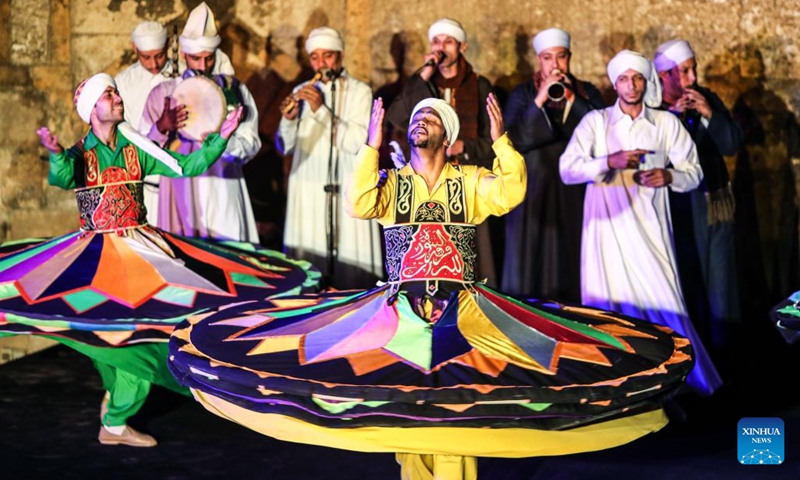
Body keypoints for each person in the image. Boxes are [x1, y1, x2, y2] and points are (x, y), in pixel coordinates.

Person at [168, 96, 693, 480]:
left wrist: (502, 141)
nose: (420, 123)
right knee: (406, 406)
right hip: (397, 311)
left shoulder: (466, 181)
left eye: (431, 118)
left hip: (464, 312)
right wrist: (372, 145)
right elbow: (358, 203)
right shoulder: (392, 185)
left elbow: (509, 192)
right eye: (415, 118)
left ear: (447, 134)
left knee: (455, 405)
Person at [0, 73, 317, 448]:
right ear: (91, 110)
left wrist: (224, 136)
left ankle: (116, 414)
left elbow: (186, 166)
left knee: (133, 332)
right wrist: (54, 153)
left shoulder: (136, 148)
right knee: (104, 326)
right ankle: (116, 410)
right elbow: (65, 175)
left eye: (116, 92)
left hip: (139, 249)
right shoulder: (81, 153)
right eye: (109, 95)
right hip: (95, 254)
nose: (117, 98)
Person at [560, 50, 722, 396]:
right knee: (607, 307)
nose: (631, 85)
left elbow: (693, 173)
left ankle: (680, 386)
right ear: (614, 83)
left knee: (663, 303)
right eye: (623, 78)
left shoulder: (665, 124)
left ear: (645, 82)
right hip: (606, 234)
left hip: (651, 232)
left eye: (637, 78)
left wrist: (669, 176)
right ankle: (613, 390)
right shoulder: (596, 123)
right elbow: (567, 169)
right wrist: (608, 161)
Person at [385, 18, 498, 285]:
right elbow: (396, 117)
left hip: (464, 180)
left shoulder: (479, 85)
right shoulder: (423, 85)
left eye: (448, 42)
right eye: (436, 41)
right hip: (426, 179)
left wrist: (464, 147)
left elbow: (495, 139)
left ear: (462, 47)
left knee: (473, 249)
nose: (441, 47)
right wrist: (421, 76)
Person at [140, 2, 261, 243]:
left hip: (224, 188)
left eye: (209, 58)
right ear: (184, 55)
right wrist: (163, 127)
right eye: (196, 58)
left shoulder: (235, 89)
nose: (203, 66)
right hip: (180, 193)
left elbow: (252, 144)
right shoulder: (162, 94)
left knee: (231, 263)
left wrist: (225, 141)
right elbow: (142, 155)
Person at [501, 28, 604, 303]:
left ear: (569, 58)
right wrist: (540, 100)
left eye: (561, 57)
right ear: (539, 60)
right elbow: (512, 140)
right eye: (548, 58)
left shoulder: (587, 92)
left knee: (571, 255)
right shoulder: (523, 94)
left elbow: (601, 137)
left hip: (574, 192)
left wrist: (573, 100)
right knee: (529, 259)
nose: (555, 65)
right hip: (533, 188)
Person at [654, 39, 742, 352]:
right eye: (684, 71)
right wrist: (672, 119)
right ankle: (692, 355)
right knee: (691, 285)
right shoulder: (654, 110)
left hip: (714, 206)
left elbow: (731, 143)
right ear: (664, 76)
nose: (692, 78)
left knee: (721, 283)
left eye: (694, 69)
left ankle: (725, 354)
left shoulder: (708, 98)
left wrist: (708, 114)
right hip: (680, 212)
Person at [278, 26, 382, 289]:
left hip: (346, 182)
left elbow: (356, 143)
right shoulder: (301, 89)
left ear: (341, 55)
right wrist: (288, 120)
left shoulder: (360, 91)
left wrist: (320, 110)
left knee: (349, 267)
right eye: (315, 57)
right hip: (308, 185)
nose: (321, 63)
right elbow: (285, 146)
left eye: (328, 56)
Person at [115, 20, 174, 227]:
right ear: (135, 49)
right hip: (144, 183)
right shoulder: (123, 83)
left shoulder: (183, 75)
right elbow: (123, 134)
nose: (154, 64)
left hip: (180, 186)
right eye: (146, 57)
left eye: (159, 55)